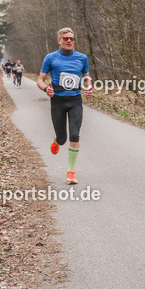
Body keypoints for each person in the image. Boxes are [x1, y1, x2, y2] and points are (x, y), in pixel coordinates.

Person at [37, 28, 91, 185]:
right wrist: (46, 88)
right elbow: (40, 79)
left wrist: (87, 88)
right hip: (58, 101)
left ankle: (70, 173)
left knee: (75, 135)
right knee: (62, 139)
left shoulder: (82, 58)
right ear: (59, 40)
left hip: (75, 101)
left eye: (72, 39)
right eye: (66, 38)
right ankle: (56, 140)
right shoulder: (50, 58)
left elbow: (86, 77)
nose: (69, 41)